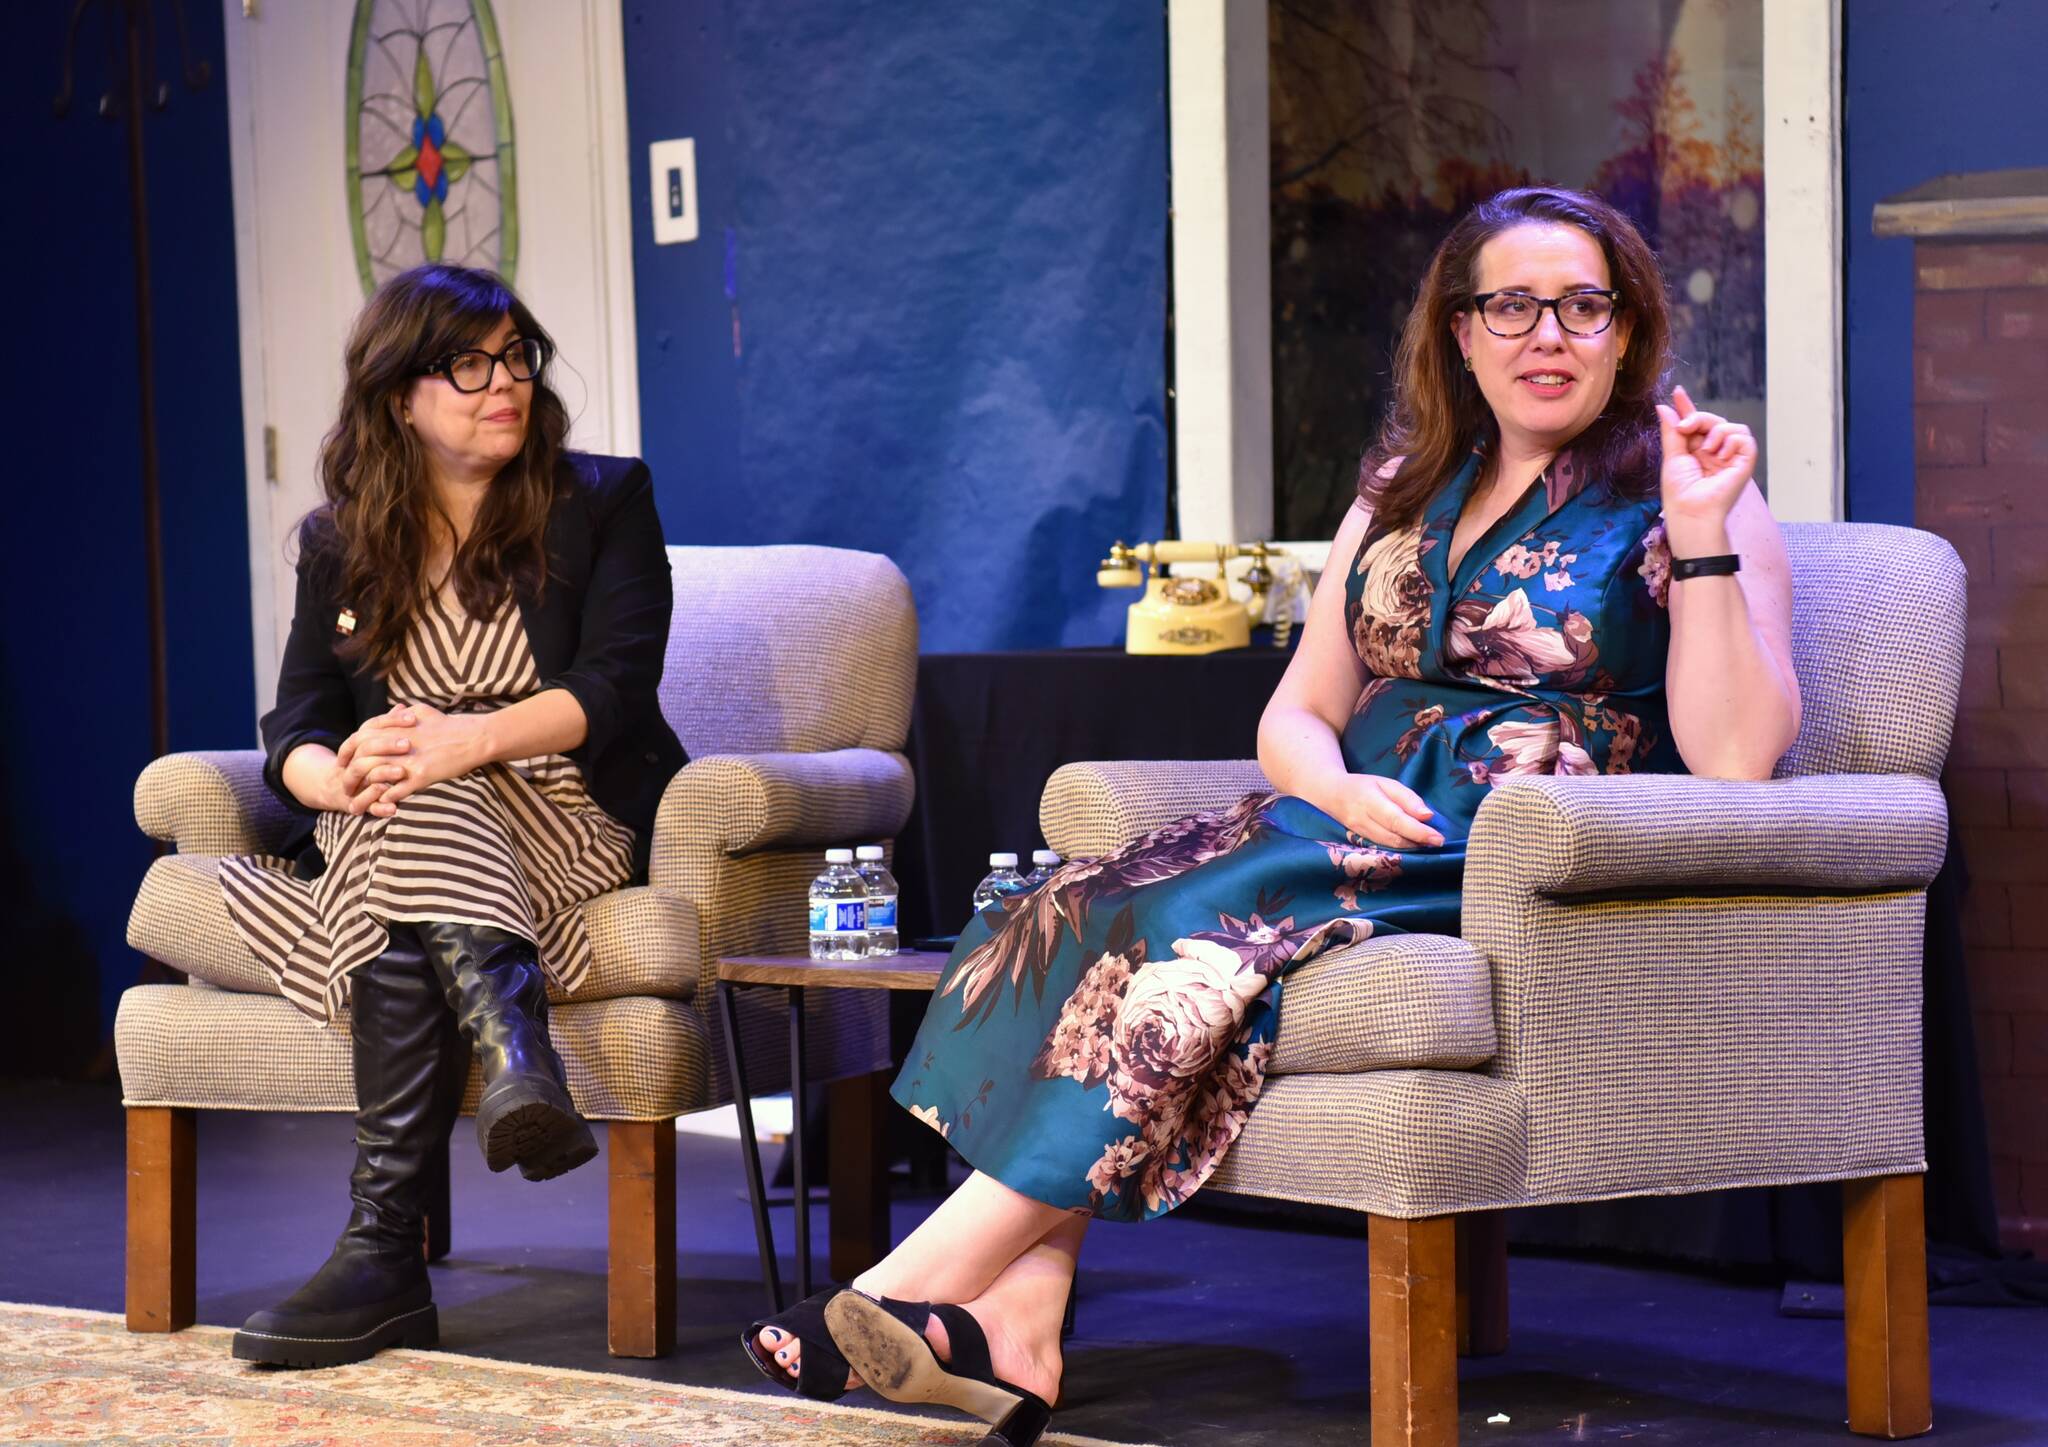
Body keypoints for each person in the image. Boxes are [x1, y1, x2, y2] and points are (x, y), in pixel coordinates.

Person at [743, 186, 1801, 1445]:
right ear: (1460, 332)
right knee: (1072, 898)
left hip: (1516, 846)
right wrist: (1334, 783)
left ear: (1625, 331)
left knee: (1190, 924)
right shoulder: (1400, 489)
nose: (1546, 334)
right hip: (1344, 812)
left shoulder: (1692, 495)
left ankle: (906, 1286)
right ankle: (1022, 1317)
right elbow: (1296, 709)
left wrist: (1696, 535)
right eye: (1509, 305)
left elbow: (1737, 760)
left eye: (1581, 305)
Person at [219, 263, 687, 1368]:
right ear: (400, 396)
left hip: (560, 808)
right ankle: (513, 1055)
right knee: (395, 807)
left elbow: (617, 684)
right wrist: (330, 776)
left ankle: (382, 1250)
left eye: (515, 354)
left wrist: (465, 741)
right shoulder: (344, 538)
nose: (503, 382)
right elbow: (294, 719)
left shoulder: (604, 503)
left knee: (407, 813)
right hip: (398, 813)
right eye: (466, 364)